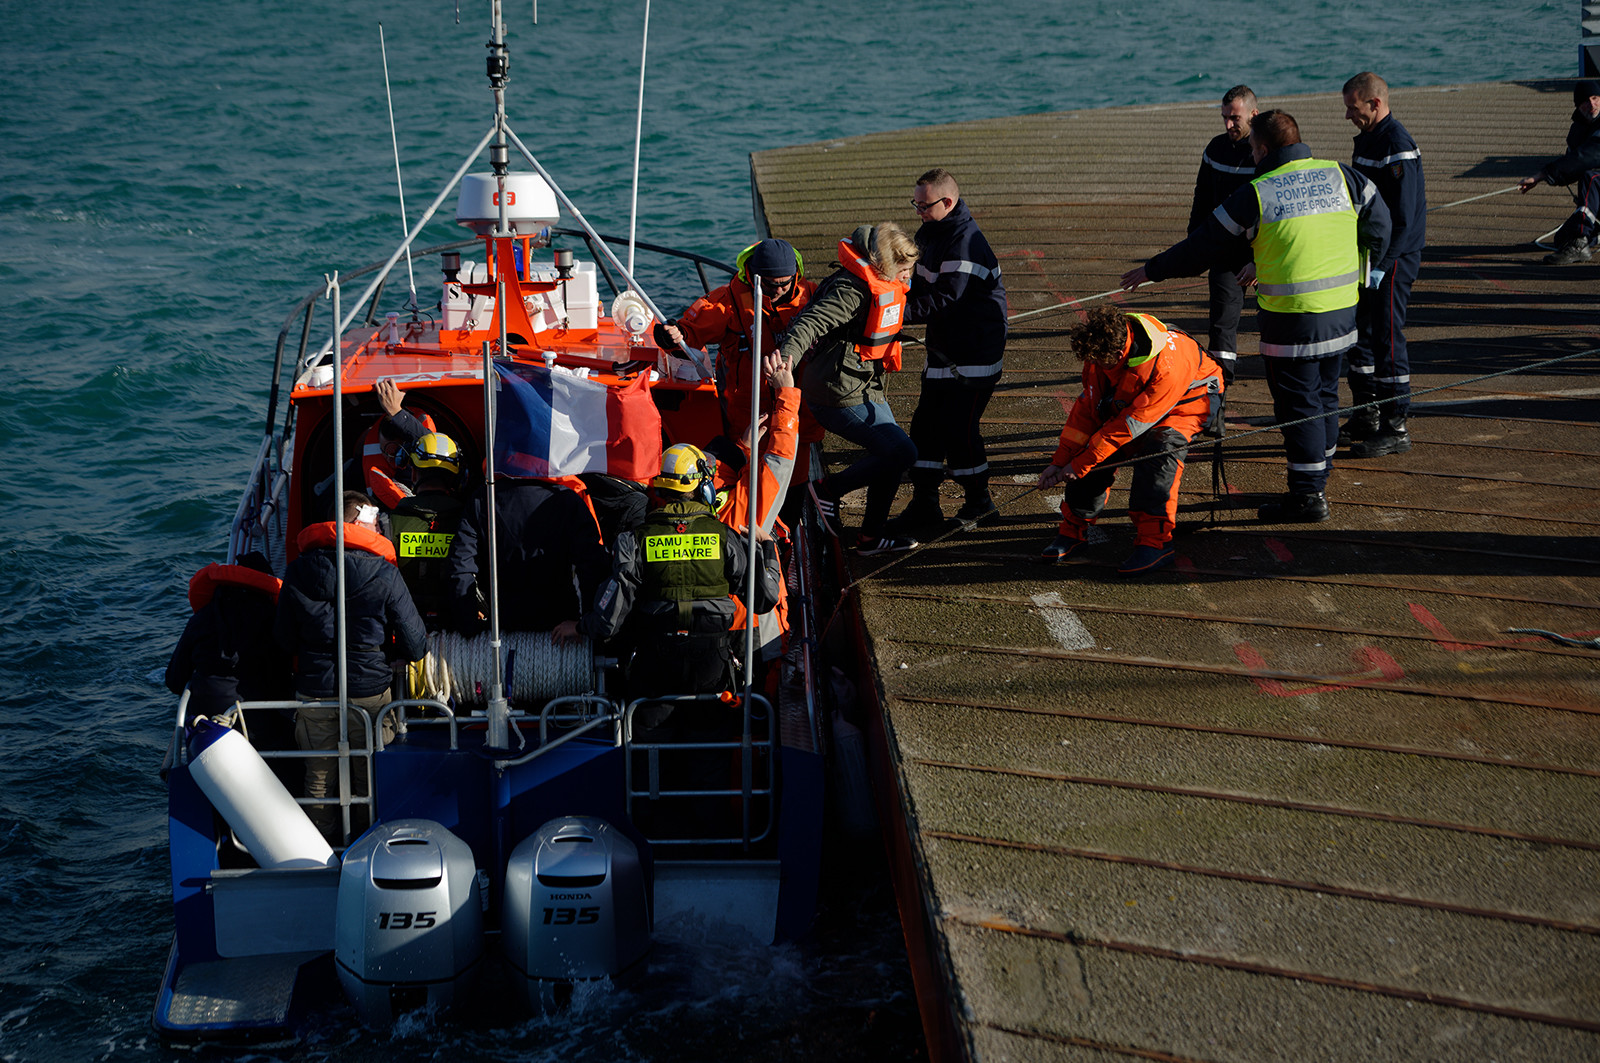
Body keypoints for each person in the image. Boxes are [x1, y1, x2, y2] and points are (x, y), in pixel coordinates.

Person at [1123, 109, 1391, 523]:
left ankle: (1308, 496)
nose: (1250, 155)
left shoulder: (1258, 192)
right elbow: (1381, 224)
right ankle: (1320, 473)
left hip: (1292, 321)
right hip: (1341, 313)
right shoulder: (1342, 176)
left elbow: (1203, 246)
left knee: (1299, 407)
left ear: (1263, 149)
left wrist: (1152, 270)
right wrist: (1362, 272)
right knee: (1325, 396)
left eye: (1252, 148)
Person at [275, 491, 427, 841]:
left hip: (313, 691)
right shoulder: (384, 573)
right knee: (369, 776)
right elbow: (416, 643)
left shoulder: (297, 571)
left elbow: (283, 640)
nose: (379, 528)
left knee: (318, 780)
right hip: (369, 693)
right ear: (359, 523)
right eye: (374, 522)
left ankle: (323, 853)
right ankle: (368, 846)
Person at [1037, 307, 1224, 575]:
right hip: (1136, 400)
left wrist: (1079, 465)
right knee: (1090, 450)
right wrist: (1061, 460)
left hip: (1189, 402)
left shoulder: (1166, 366)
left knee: (1159, 453)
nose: (1094, 365)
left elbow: (1127, 427)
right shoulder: (1100, 354)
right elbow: (1087, 411)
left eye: (1100, 362)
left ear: (1118, 355)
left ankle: (1156, 543)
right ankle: (1073, 529)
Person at [779, 223, 922, 554]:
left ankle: (871, 538)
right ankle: (827, 490)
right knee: (903, 451)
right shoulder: (851, 290)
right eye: (903, 268)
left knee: (890, 454)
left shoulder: (882, 280)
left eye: (911, 268)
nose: (907, 276)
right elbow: (810, 322)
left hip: (864, 384)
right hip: (836, 392)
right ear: (885, 264)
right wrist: (787, 358)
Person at [605, 443, 784, 699]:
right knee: (715, 723)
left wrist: (580, 628)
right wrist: (767, 548)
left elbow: (610, 616)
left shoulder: (634, 540)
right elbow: (764, 599)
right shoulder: (725, 538)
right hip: (713, 673)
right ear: (704, 487)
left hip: (654, 672)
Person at [890, 168, 1009, 535]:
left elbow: (944, 299)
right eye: (915, 204)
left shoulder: (965, 243)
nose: (918, 212)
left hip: (974, 353)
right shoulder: (931, 232)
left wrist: (892, 316)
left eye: (924, 206)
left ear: (948, 202)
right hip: (944, 349)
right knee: (925, 426)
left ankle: (980, 503)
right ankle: (925, 503)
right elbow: (918, 284)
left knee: (960, 429)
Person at [655, 238, 820, 449]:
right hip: (748, 413)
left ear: (795, 275)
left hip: (800, 409)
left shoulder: (814, 296)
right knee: (747, 462)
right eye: (771, 284)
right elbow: (689, 332)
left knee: (798, 459)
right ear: (754, 276)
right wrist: (672, 335)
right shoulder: (728, 301)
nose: (778, 290)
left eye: (784, 284)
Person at [1342, 72, 1427, 458]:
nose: (1348, 116)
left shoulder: (1396, 145)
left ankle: (1396, 425)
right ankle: (1366, 413)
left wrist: (1384, 264)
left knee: (1387, 338)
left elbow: (1404, 218)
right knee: (1359, 335)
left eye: (1353, 108)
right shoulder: (1368, 140)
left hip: (1393, 258)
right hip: (1369, 254)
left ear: (1374, 104)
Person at [444, 471, 613, 643]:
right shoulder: (568, 500)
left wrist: (469, 624)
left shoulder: (483, 498)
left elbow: (460, 566)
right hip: (559, 631)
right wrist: (584, 625)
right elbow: (593, 566)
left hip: (499, 628)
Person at [1186, 85, 1260, 388]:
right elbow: (1202, 198)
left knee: (1279, 323)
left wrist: (1259, 260)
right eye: (1225, 118)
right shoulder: (1215, 150)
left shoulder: (1265, 153)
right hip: (1226, 254)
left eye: (1235, 118)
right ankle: (1218, 393)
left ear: (1254, 115)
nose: (1229, 124)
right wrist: (1194, 245)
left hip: (1264, 253)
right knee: (1220, 327)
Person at [166, 551, 292, 722]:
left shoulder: (202, 618)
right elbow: (282, 682)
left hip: (204, 717)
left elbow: (174, 680)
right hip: (256, 717)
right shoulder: (273, 620)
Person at [387, 432, 466, 629]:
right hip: (457, 624)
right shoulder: (468, 522)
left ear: (414, 474)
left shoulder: (389, 521)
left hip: (402, 624)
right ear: (456, 478)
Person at [1518, 79, 1600, 265]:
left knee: (1591, 178)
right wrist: (1543, 178)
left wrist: (1542, 174)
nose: (1591, 104)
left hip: (1596, 184)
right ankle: (1587, 236)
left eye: (1595, 98)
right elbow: (1572, 166)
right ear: (1578, 105)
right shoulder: (1577, 130)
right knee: (1562, 238)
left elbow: (1588, 155)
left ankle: (1580, 243)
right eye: (1585, 101)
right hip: (1597, 198)